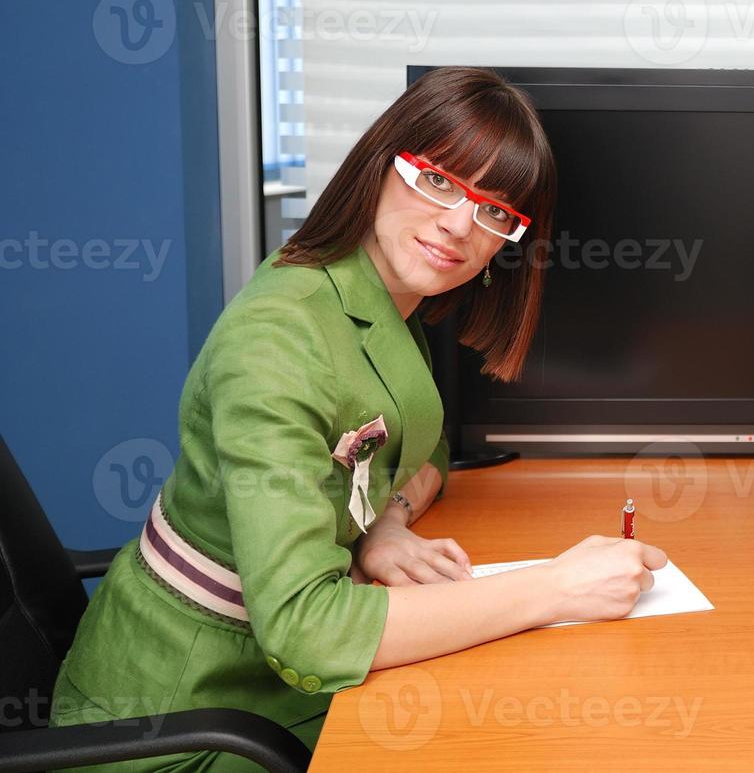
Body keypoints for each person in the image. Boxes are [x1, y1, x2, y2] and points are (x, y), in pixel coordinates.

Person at [50, 67, 668, 769]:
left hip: (272, 685)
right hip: (180, 714)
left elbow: (423, 443)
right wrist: (554, 588)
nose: (460, 224)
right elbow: (306, 629)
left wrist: (384, 525)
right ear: (380, 166)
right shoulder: (279, 338)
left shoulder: (378, 298)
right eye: (439, 180)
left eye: (496, 211)